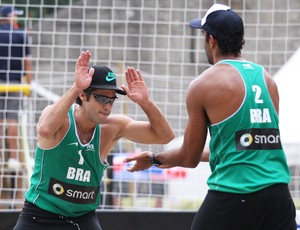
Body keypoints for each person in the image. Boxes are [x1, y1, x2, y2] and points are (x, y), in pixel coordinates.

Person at [124, 3, 297, 230]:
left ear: (212, 40)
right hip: (278, 196)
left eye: (204, 34)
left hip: (236, 193)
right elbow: (246, 146)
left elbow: (189, 157)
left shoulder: (204, 84)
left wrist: (154, 159)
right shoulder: (267, 79)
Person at [13, 50, 174, 229]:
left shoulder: (112, 127)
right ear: (83, 95)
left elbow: (165, 135)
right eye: (101, 98)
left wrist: (146, 102)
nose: (107, 106)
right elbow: (45, 130)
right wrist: (76, 87)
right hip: (40, 216)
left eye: (112, 100)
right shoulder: (62, 119)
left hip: (82, 218)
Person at [0, 5, 32, 170]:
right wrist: (29, 83)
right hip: (14, 83)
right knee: (12, 120)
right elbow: (27, 62)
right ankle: (12, 158)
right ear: (10, 16)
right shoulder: (21, 34)